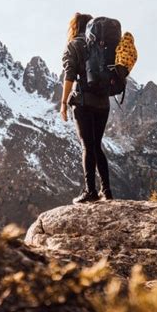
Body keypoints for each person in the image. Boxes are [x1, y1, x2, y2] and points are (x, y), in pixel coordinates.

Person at [60, 12, 113, 203]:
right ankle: (107, 191)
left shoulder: (74, 45)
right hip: (103, 102)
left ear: (75, 27)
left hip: (83, 102)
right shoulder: (102, 45)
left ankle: (90, 191)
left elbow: (69, 75)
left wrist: (64, 103)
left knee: (87, 146)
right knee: (97, 145)